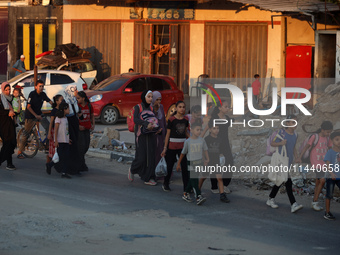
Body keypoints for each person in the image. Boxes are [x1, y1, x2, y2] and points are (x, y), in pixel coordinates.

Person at [266, 115, 304, 213]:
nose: (295, 124)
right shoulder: (281, 133)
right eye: (292, 122)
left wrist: (297, 157)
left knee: (280, 180)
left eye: (296, 122)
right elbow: (272, 143)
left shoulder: (295, 134)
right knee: (288, 181)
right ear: (287, 123)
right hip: (280, 161)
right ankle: (293, 204)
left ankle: (270, 199)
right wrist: (281, 143)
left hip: (288, 161)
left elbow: (294, 147)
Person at [298, 121, 333, 211]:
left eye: (330, 132)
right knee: (322, 180)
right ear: (322, 130)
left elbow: (329, 149)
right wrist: (299, 157)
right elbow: (306, 147)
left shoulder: (328, 138)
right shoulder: (315, 136)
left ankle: (315, 200)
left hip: (323, 162)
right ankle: (315, 201)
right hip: (315, 162)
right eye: (327, 132)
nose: (328, 133)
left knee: (318, 181)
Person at [128, 90, 158, 185]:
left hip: (150, 134)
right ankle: (133, 169)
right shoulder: (138, 107)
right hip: (140, 135)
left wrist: (157, 128)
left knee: (150, 157)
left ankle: (148, 178)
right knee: (141, 157)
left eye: (151, 97)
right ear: (144, 97)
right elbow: (136, 119)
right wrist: (146, 124)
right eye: (148, 97)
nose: (150, 99)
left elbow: (154, 120)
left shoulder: (151, 108)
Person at [17, 80, 52, 159]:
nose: (41, 88)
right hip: (30, 116)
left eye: (42, 86)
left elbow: (50, 101)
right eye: (40, 86)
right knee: (26, 133)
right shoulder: (32, 94)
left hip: (39, 114)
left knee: (49, 127)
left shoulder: (43, 94)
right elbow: (28, 106)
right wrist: (35, 115)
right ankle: (20, 152)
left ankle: (47, 145)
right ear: (36, 87)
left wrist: (56, 107)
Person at [177, 122, 208, 205]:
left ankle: (186, 193)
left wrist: (206, 160)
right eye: (197, 130)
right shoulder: (188, 141)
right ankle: (198, 196)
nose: (199, 131)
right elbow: (183, 153)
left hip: (199, 162)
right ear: (192, 130)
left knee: (192, 179)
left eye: (200, 130)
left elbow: (204, 150)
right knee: (194, 179)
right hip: (190, 162)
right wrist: (178, 163)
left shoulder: (201, 140)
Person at [161, 101, 189, 192]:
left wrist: (194, 139)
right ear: (176, 108)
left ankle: (186, 188)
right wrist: (165, 148)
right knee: (169, 166)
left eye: (183, 107)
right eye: (180, 107)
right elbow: (168, 134)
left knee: (185, 168)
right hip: (172, 146)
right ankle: (166, 183)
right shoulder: (171, 119)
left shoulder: (186, 119)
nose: (182, 109)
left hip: (183, 147)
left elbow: (185, 132)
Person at [199, 123, 230, 203]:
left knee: (219, 178)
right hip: (209, 161)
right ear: (210, 130)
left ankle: (222, 195)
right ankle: (197, 190)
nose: (216, 130)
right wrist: (204, 160)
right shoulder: (207, 139)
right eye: (214, 128)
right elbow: (203, 150)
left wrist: (222, 157)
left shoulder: (220, 139)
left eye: (217, 128)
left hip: (216, 161)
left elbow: (221, 150)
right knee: (203, 177)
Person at [208, 100, 233, 194]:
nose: (228, 108)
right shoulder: (214, 118)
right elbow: (209, 127)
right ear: (219, 108)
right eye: (226, 106)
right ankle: (214, 186)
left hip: (225, 144)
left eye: (228, 107)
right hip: (215, 143)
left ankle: (225, 185)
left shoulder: (227, 118)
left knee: (229, 162)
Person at [46, 102, 72, 179]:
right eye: (67, 108)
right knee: (60, 157)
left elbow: (66, 130)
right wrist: (56, 140)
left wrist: (68, 139)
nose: (69, 110)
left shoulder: (65, 118)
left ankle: (64, 172)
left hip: (66, 141)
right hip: (60, 141)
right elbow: (56, 130)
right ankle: (50, 165)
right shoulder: (58, 118)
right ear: (64, 109)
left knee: (66, 157)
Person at [63, 85, 81, 175]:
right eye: (75, 90)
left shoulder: (74, 100)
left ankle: (75, 168)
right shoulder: (66, 102)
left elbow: (77, 112)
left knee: (75, 145)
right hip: (69, 125)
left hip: (74, 124)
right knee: (72, 146)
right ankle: (71, 168)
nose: (76, 91)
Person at [323, 131, 340, 220]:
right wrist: (332, 173)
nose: (339, 141)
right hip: (331, 177)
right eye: (337, 139)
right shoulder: (330, 152)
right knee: (329, 195)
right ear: (332, 141)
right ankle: (327, 212)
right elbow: (327, 164)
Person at [77, 91, 95, 172]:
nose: (77, 100)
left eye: (79, 98)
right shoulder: (77, 106)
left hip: (87, 128)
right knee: (81, 146)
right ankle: (81, 164)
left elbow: (92, 115)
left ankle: (81, 162)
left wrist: (93, 124)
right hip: (80, 130)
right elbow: (74, 118)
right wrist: (78, 126)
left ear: (83, 98)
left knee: (86, 146)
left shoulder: (89, 105)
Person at [0, 82, 16, 170]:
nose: (8, 91)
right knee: (7, 143)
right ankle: (8, 163)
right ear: (3, 90)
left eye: (9, 89)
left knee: (12, 143)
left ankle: (8, 163)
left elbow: (16, 109)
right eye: (6, 90)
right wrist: (7, 112)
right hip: (3, 125)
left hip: (11, 124)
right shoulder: (0, 98)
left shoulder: (12, 98)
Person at [46, 94, 63, 171]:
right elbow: (51, 122)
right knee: (54, 149)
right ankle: (50, 162)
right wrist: (49, 133)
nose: (63, 101)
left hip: (61, 131)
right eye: (61, 100)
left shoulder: (63, 109)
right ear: (57, 101)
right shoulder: (54, 111)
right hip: (54, 131)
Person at [152, 91, 166, 167]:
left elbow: (163, 119)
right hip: (155, 133)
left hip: (162, 132)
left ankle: (162, 171)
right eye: (157, 99)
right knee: (156, 152)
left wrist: (165, 131)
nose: (158, 101)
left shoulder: (161, 107)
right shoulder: (150, 108)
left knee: (162, 151)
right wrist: (155, 109)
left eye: (160, 99)